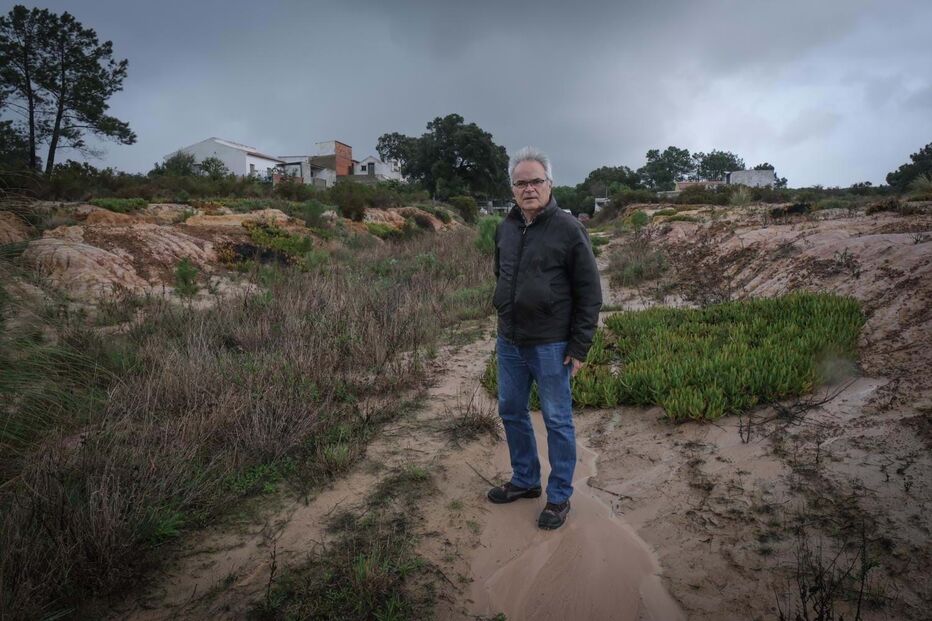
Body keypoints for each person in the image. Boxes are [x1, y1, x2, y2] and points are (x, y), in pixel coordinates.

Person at [487, 146, 602, 529]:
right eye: (521, 183)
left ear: (550, 183)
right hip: (510, 342)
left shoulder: (569, 229)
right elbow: (501, 275)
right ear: (512, 188)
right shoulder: (505, 227)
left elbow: (589, 292)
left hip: (553, 345)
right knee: (511, 410)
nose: (529, 189)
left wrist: (579, 344)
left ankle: (558, 497)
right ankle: (524, 480)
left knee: (557, 420)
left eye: (536, 181)